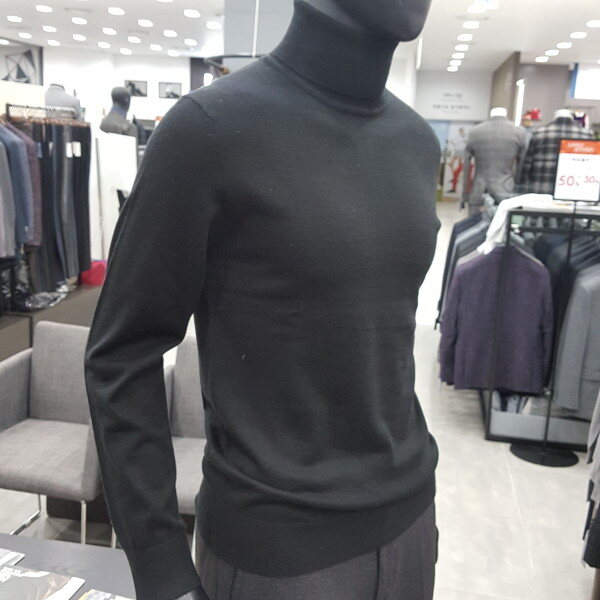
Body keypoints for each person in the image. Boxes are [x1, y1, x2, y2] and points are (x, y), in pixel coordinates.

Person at [84, 1, 439, 599]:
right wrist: (159, 561)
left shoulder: (416, 143)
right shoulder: (209, 130)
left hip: (412, 523)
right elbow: (122, 351)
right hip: (278, 553)